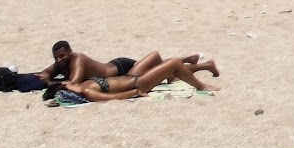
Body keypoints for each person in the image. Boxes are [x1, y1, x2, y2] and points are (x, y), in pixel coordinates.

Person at [45, 56, 218, 102]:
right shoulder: (87, 91)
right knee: (173, 63)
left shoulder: (78, 85)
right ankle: (201, 86)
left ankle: (205, 65)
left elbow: (68, 82)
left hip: (130, 75)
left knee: (155, 56)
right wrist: (135, 92)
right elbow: (111, 98)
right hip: (138, 82)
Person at [37, 40, 211, 85]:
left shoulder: (77, 59)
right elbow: (46, 71)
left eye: (61, 56)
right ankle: (190, 59)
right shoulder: (62, 62)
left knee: (166, 72)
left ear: (69, 52)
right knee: (161, 70)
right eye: (56, 57)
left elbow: (74, 81)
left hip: (122, 71)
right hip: (116, 66)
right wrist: (45, 74)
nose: (59, 60)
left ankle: (205, 65)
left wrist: (51, 83)